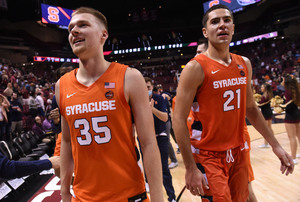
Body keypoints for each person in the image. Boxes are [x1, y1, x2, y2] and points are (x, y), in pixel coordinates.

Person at [173, 4, 294, 201]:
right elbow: (178, 119)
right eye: (215, 22)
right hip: (210, 155)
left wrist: (276, 146)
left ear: (233, 27)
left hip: (238, 152)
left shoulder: (244, 63)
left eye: (226, 20)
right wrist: (190, 167)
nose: (222, 25)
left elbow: (251, 109)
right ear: (205, 31)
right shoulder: (195, 68)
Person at [56, 7, 163, 202]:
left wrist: (157, 197)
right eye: (71, 28)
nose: (74, 31)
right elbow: (66, 141)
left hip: (128, 194)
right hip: (83, 197)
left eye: (83, 25)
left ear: (103, 34)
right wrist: (64, 193)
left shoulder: (130, 77)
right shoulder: (61, 85)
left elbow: (148, 143)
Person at [144, 77, 176, 202]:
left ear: (152, 88)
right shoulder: (137, 101)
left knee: (164, 169)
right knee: (147, 169)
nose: (147, 90)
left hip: (160, 136)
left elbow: (165, 118)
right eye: (145, 87)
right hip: (145, 140)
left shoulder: (159, 99)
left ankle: (171, 197)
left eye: (148, 87)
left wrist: (152, 109)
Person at [280, 74, 300, 164]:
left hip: (290, 116)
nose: (281, 81)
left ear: (286, 81)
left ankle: (293, 157)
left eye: (282, 79)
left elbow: (287, 105)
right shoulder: (294, 90)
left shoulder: (288, 92)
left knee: (291, 137)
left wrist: (279, 106)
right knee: (298, 135)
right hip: (296, 114)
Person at [257, 82, 274, 148]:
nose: (261, 88)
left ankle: (266, 144)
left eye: (262, 87)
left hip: (266, 113)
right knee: (269, 128)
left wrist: (254, 102)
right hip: (268, 112)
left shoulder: (265, 95)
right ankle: (272, 142)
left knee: (266, 129)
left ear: (265, 88)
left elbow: (260, 105)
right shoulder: (268, 94)